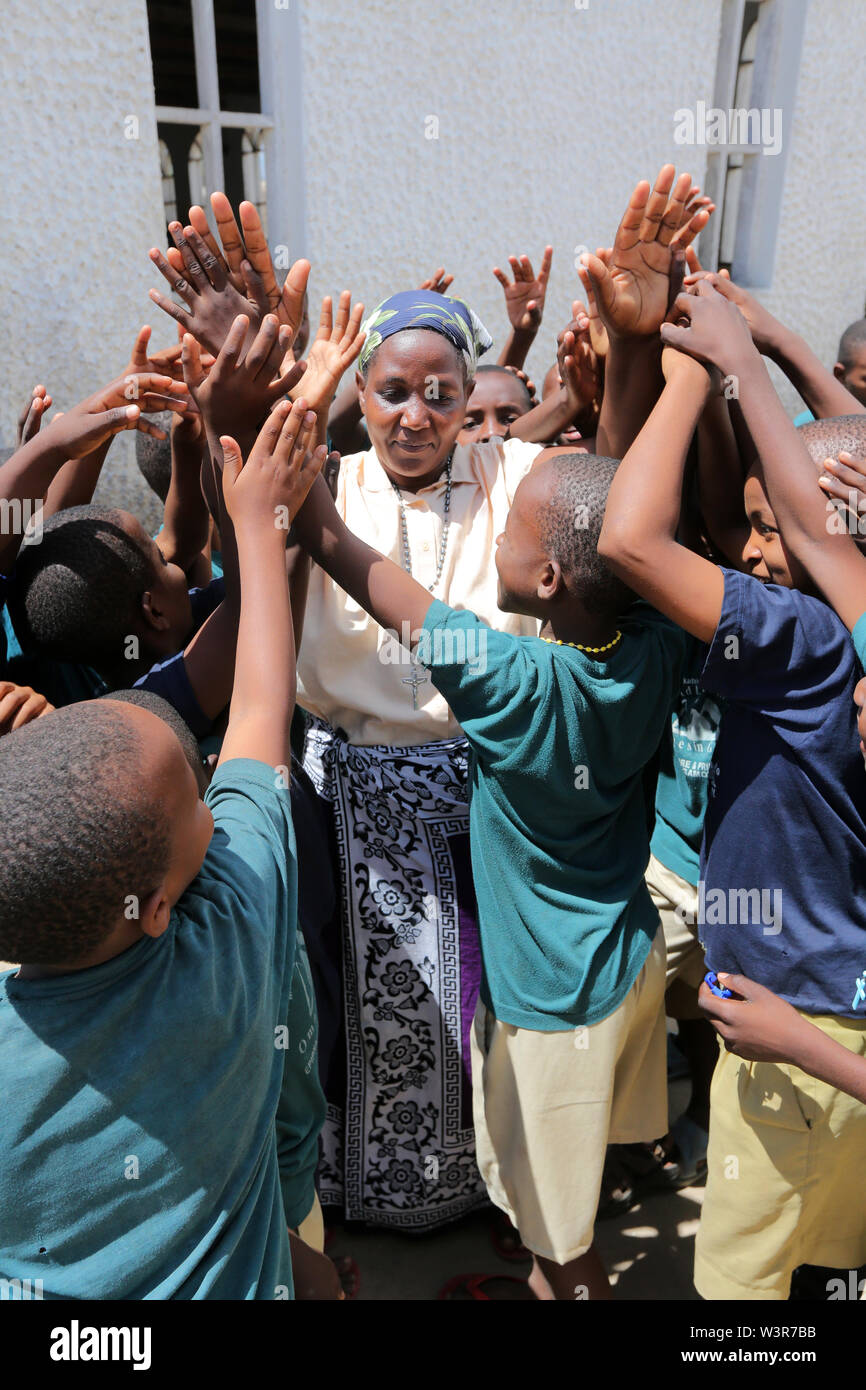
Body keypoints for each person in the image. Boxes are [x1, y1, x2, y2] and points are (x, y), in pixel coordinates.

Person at [292, 436, 686, 1300]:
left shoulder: (512, 679)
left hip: (548, 1008)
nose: (492, 532)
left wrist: (288, 462)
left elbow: (340, 553)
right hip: (624, 964)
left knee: (559, 1234)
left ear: (548, 580)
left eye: (508, 525)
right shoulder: (655, 646)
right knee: (569, 1196)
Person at [0, 392, 327, 1298]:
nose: (215, 806)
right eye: (198, 802)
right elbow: (260, 710)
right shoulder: (227, 953)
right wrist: (263, 528)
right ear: (151, 911)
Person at [597, 277, 866, 1300]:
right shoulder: (841, 622)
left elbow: (627, 540)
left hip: (792, 1021)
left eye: (767, 530)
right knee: (825, 1257)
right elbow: (808, 515)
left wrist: (690, 368)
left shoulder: (799, 643)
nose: (751, 548)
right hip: (839, 1000)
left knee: (738, 1288)